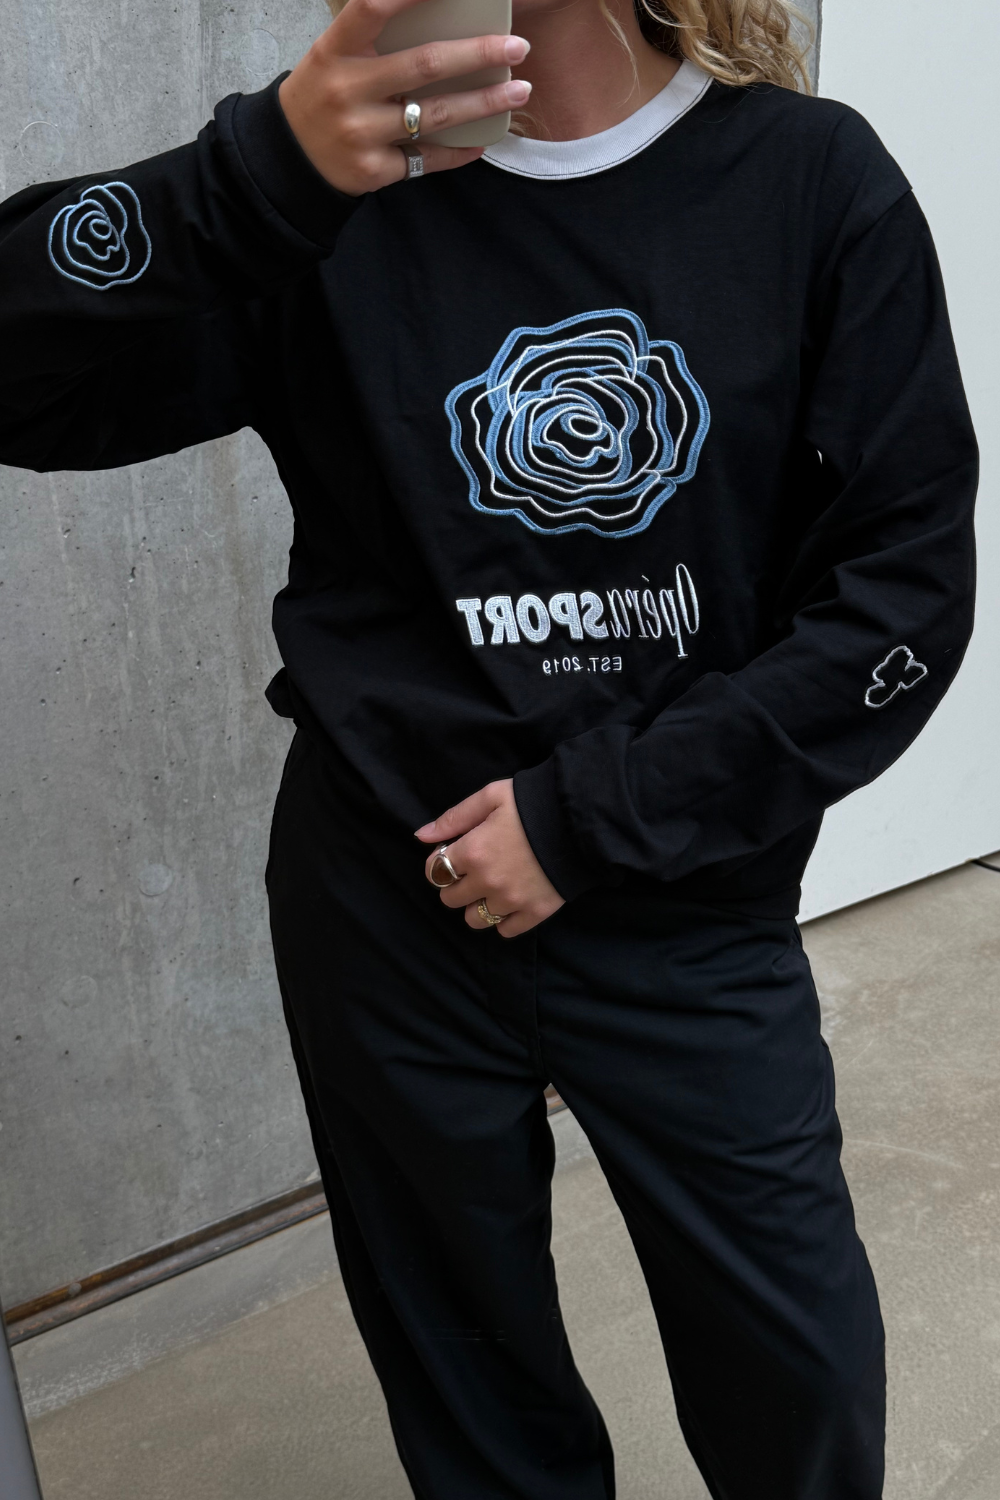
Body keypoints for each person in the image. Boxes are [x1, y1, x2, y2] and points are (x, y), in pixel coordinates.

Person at [0, 0, 978, 1491]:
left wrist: (587, 820)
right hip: (382, 902)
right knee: (470, 1394)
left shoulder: (808, 181)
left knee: (801, 1384)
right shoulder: (323, 196)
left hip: (684, 900)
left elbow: (902, 599)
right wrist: (255, 175)